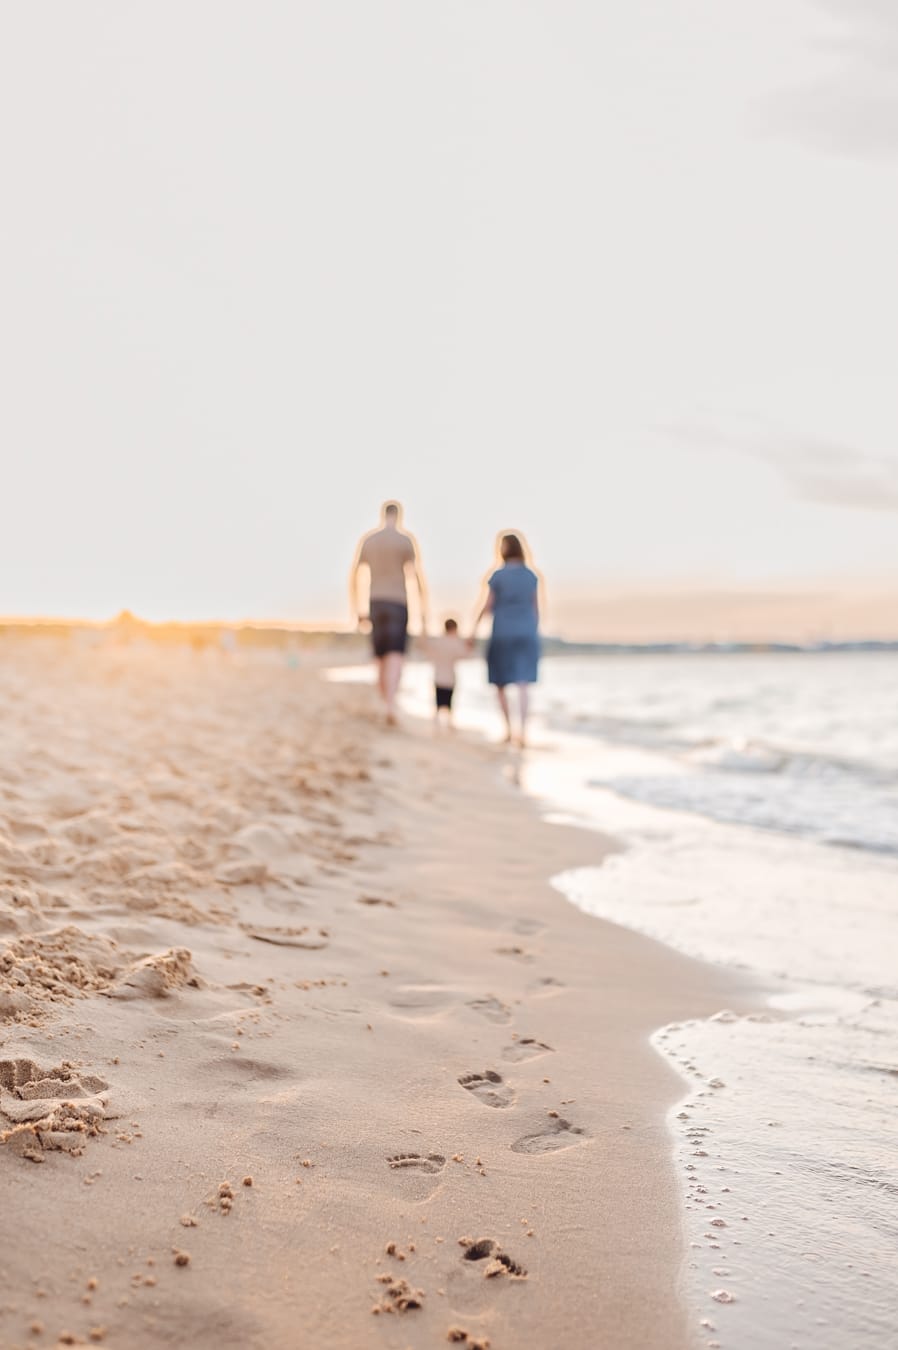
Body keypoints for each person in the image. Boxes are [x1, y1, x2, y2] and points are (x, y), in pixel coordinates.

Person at [350, 502, 427, 725]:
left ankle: (385, 702)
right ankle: (390, 704)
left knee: (379, 658)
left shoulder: (370, 540)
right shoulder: (405, 541)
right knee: (395, 657)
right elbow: (416, 575)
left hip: (374, 601)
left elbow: (355, 574)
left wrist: (356, 609)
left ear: (383, 515)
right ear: (399, 516)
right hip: (398, 602)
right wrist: (423, 610)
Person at [472, 532, 540, 746]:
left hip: (502, 633)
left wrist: (473, 629)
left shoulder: (498, 576)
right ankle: (524, 732)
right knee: (523, 684)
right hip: (527, 633)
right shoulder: (530, 576)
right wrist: (533, 630)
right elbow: (536, 608)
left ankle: (509, 730)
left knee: (501, 683)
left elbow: (487, 605)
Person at [422, 618, 471, 729]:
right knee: (449, 702)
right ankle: (449, 722)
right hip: (450, 679)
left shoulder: (439, 641)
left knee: (438, 701)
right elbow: (464, 654)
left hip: (438, 677)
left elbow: (428, 649)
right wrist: (469, 645)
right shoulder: (455, 642)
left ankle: (436, 721)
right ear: (454, 628)